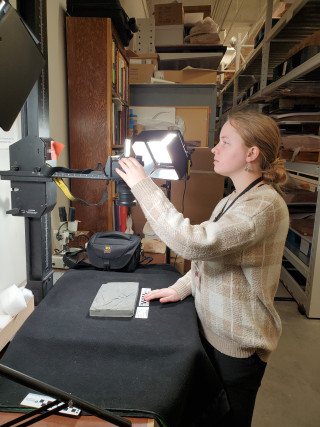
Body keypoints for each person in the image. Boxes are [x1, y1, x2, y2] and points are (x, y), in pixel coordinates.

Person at [116, 111, 289, 427]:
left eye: (225, 142)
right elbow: (209, 258)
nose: (214, 149)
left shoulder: (262, 207)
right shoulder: (233, 199)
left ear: (251, 153)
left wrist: (143, 185)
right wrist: (180, 287)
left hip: (238, 346)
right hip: (211, 331)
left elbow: (193, 243)